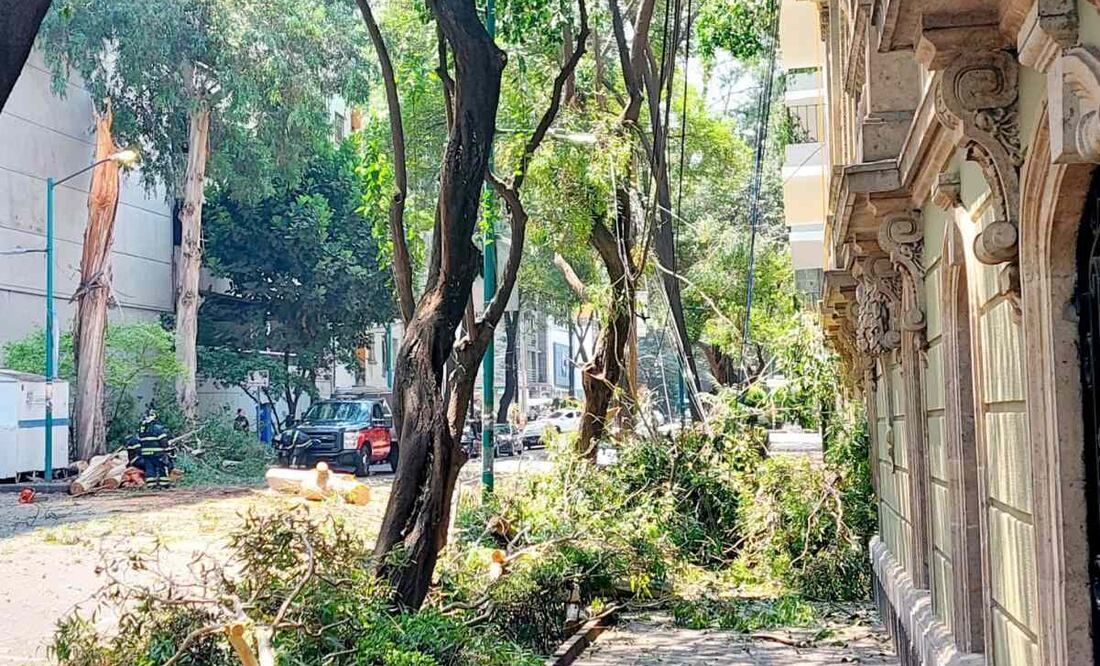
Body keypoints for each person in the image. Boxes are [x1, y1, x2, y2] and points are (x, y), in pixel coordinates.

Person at [136, 409, 174, 488]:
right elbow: (163, 441)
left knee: (150, 470)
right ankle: (164, 485)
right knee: (162, 468)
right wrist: (167, 448)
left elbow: (140, 441)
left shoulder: (142, 430)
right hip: (157, 454)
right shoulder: (158, 428)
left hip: (146, 454)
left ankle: (151, 485)